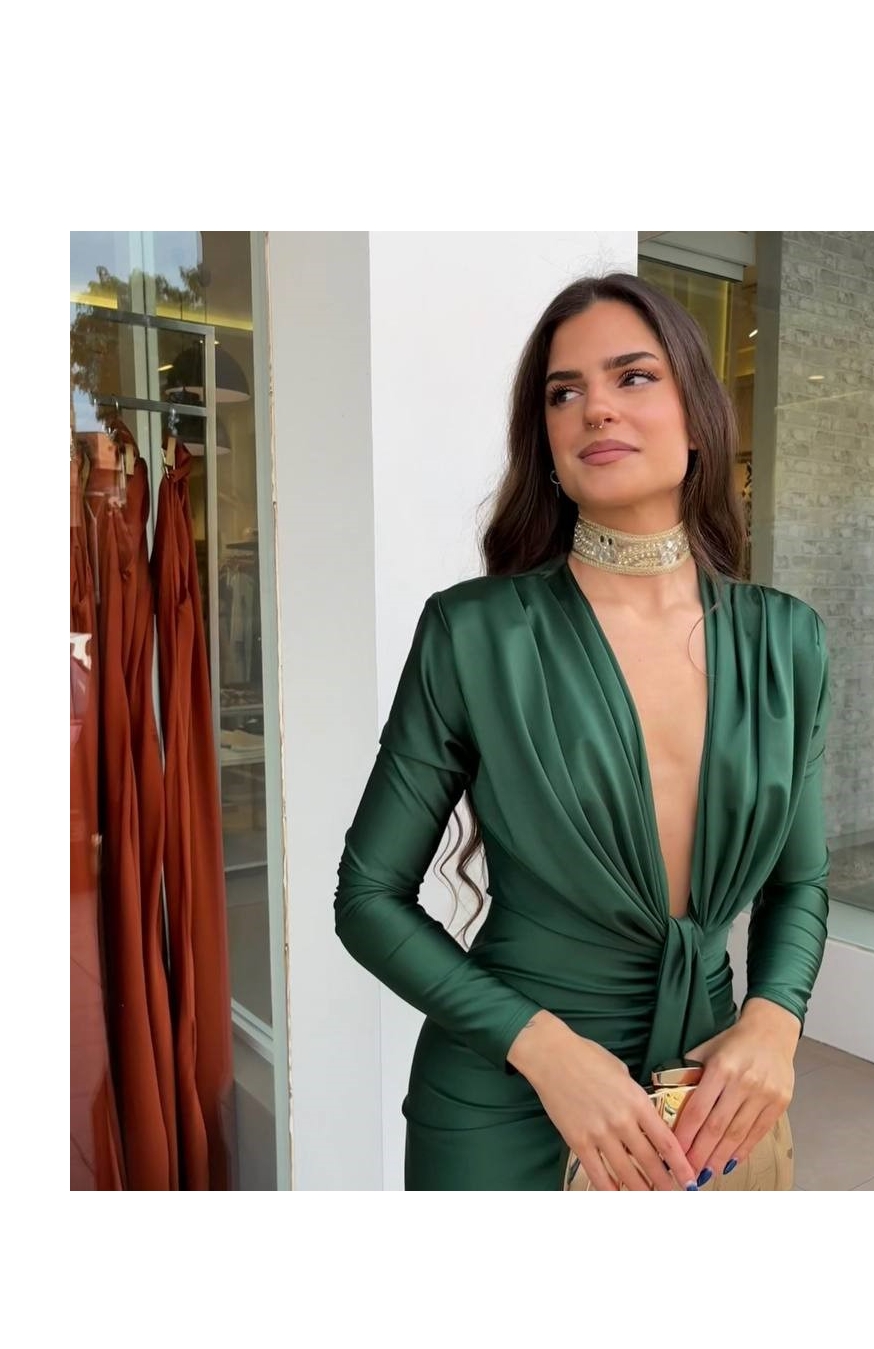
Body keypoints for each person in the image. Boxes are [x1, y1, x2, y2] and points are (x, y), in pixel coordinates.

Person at [335, 273, 831, 1191]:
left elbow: (800, 880)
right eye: (565, 392)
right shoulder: (475, 633)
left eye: (633, 376)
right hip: (506, 1099)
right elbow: (367, 897)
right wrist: (545, 1050)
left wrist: (775, 1018)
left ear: (697, 415)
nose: (595, 407)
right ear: (549, 441)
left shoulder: (786, 640)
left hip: (708, 1099)